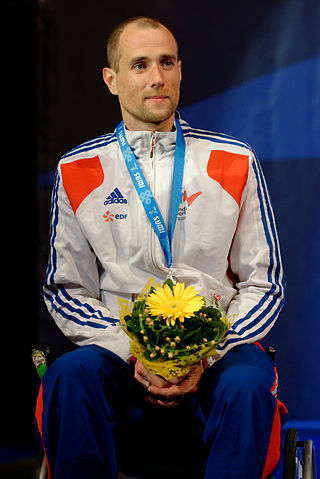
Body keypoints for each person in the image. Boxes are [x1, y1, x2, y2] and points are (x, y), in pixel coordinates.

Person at [36, 16, 287, 479]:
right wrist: (138, 353)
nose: (157, 77)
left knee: (250, 383)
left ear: (179, 69)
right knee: (68, 378)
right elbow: (66, 288)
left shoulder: (234, 159)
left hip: (217, 351)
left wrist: (205, 352)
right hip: (120, 351)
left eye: (167, 62)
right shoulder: (78, 168)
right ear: (111, 80)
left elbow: (264, 281)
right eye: (140, 65)